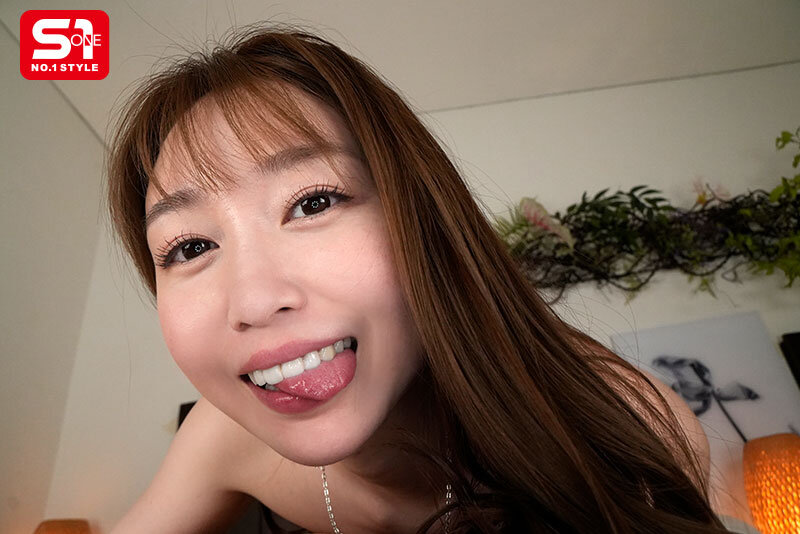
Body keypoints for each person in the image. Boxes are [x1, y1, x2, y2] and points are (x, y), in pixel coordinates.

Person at [106, 24, 731, 534]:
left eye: (313, 203)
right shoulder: (220, 440)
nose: (255, 300)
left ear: (423, 218)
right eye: (189, 247)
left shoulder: (626, 427)